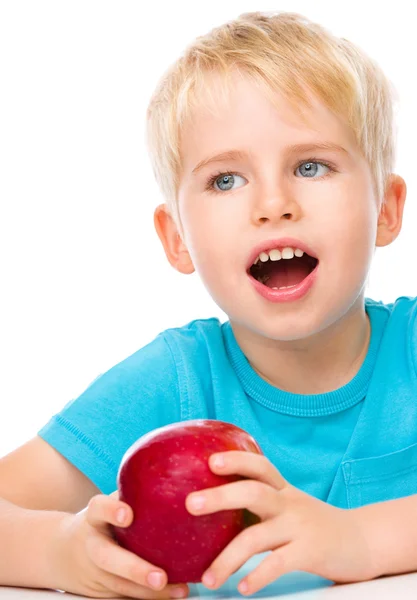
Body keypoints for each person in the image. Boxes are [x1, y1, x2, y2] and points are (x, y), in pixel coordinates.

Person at [0, 9, 415, 599]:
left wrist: (362, 540)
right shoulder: (176, 380)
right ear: (176, 238)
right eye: (225, 180)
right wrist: (58, 551)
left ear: (386, 210)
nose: (274, 203)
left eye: (310, 166)